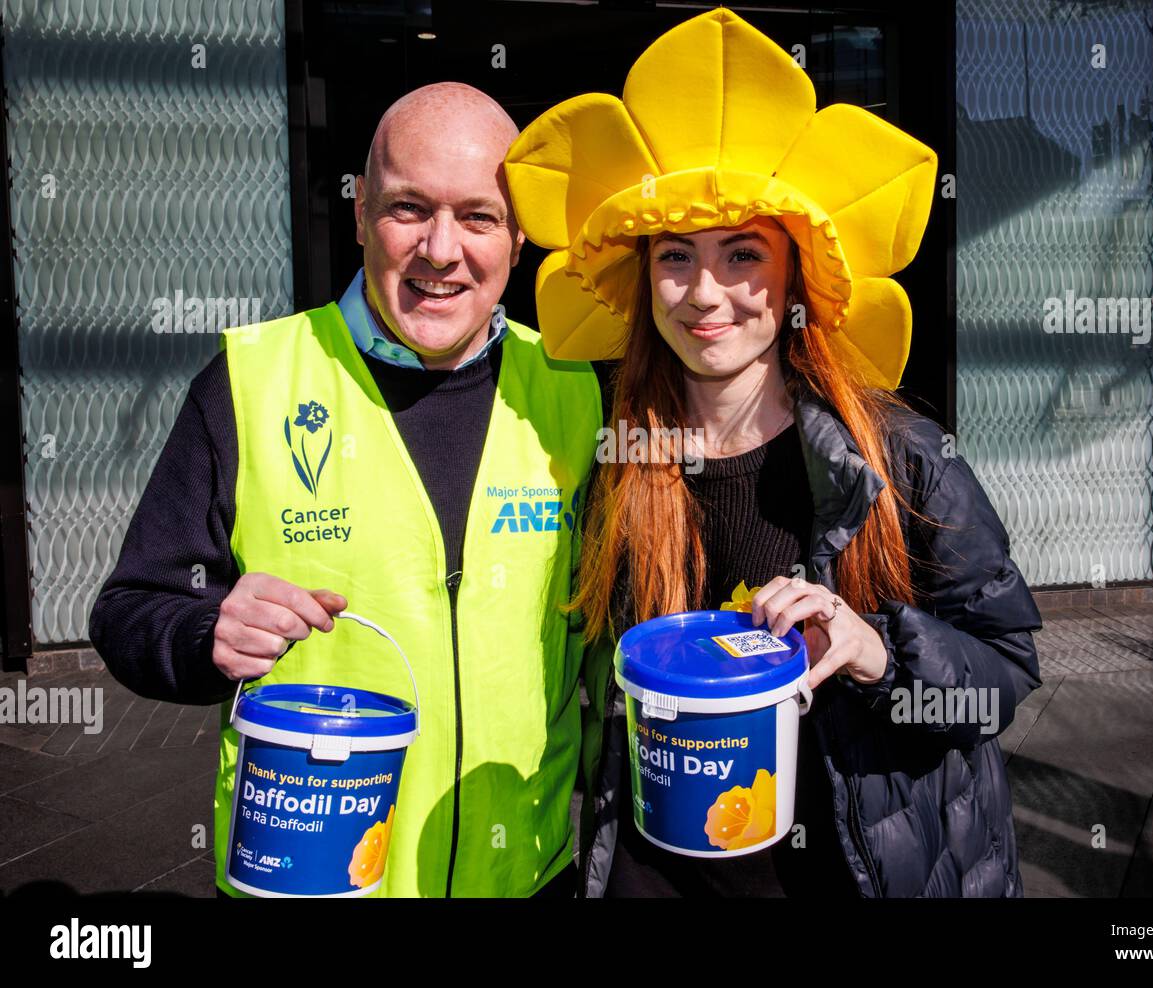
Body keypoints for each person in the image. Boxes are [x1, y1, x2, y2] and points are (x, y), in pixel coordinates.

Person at [505, 7, 1043, 896]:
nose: (706, 294)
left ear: (793, 273)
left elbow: (1000, 685)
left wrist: (877, 653)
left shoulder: (898, 456)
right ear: (643, 278)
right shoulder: (608, 456)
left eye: (742, 254)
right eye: (675, 255)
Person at [90, 83, 603, 897]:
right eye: (409, 209)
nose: (441, 250)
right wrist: (205, 632)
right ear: (361, 211)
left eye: (477, 216)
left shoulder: (576, 390)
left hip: (527, 874)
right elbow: (127, 611)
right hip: (313, 880)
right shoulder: (249, 382)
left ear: (517, 235)